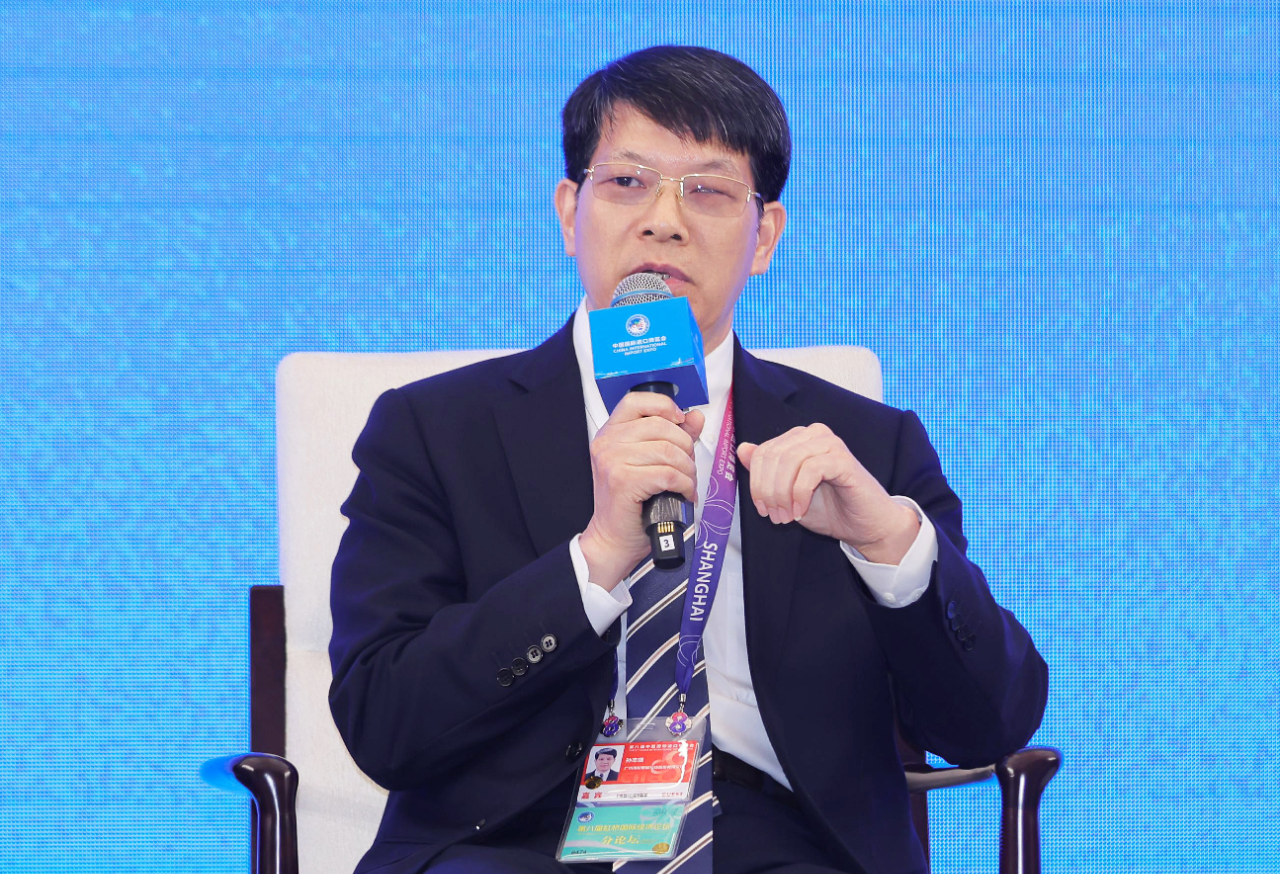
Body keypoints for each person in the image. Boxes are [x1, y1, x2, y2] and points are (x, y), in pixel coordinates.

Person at [328, 45, 1047, 874]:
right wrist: (595, 561)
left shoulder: (865, 446)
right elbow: (384, 723)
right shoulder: (435, 429)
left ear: (764, 236)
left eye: (707, 190)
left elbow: (988, 725)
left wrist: (890, 546)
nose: (663, 219)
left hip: (778, 839)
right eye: (627, 182)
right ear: (569, 213)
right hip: (509, 840)